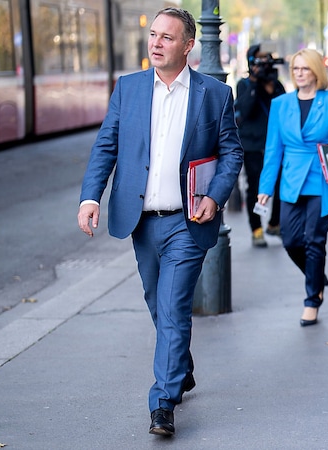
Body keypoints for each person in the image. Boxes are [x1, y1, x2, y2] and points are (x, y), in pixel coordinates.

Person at [77, 7, 242, 437]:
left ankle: (163, 402)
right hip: (141, 222)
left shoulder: (214, 94)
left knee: (172, 308)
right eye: (153, 35)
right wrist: (90, 197)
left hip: (186, 222)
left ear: (189, 46)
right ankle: (181, 367)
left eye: (167, 37)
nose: (156, 43)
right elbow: (105, 147)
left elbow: (231, 154)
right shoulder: (128, 89)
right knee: (157, 303)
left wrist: (215, 195)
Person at [257, 48, 328, 327]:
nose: (299, 73)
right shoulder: (280, 104)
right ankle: (316, 275)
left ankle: (312, 300)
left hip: (322, 179)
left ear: (316, 72)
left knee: (315, 241)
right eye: (295, 69)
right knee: (291, 240)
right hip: (291, 180)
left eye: (304, 69)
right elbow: (273, 149)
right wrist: (265, 187)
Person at [234, 44, 286, 247]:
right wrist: (255, 83)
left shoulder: (275, 84)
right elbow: (244, 110)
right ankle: (256, 229)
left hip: (275, 146)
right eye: (259, 61)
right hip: (253, 146)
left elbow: (283, 107)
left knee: (280, 185)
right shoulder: (244, 84)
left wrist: (271, 87)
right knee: (254, 188)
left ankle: (274, 223)